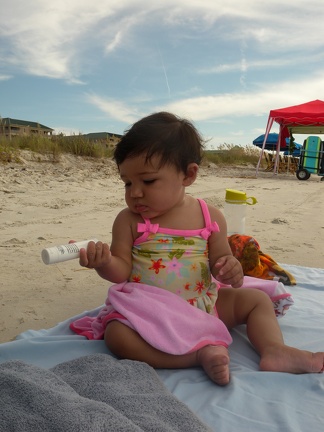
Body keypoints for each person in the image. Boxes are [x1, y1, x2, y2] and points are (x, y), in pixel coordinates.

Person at [70, 112, 324, 386]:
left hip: (204, 303)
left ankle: (274, 350)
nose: (135, 193)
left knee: (257, 301)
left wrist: (231, 270)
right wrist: (104, 262)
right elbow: (121, 271)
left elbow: (222, 260)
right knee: (116, 335)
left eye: (148, 181)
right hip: (150, 311)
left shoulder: (209, 216)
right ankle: (196, 356)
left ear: (188, 175)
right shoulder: (129, 220)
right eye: (127, 183)